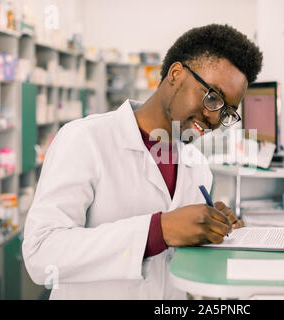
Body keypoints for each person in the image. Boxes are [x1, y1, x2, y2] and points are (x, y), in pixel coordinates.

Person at [22, 24, 263, 299]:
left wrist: (210, 228)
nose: (214, 119)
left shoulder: (197, 166)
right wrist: (159, 230)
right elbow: (41, 256)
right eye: (212, 98)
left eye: (227, 112)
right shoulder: (84, 140)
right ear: (176, 74)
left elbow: (179, 263)